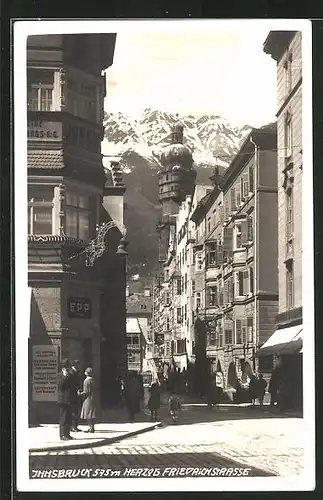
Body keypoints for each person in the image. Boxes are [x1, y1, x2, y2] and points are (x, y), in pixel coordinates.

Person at [57, 358, 73, 441]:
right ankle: (62, 435)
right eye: (65, 367)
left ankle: (67, 434)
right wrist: (64, 376)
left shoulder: (69, 375)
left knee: (68, 417)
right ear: (62, 368)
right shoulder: (60, 375)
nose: (67, 369)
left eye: (67, 367)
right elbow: (60, 386)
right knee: (63, 417)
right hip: (62, 399)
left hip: (68, 399)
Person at [79, 367, 96, 433]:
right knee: (91, 413)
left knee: (88, 413)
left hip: (87, 399)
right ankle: (92, 427)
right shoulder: (93, 380)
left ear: (86, 373)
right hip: (93, 397)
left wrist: (80, 394)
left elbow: (86, 391)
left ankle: (90, 427)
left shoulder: (86, 381)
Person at [69, 359, 81, 432]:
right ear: (74, 365)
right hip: (72, 394)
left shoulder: (77, 372)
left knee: (76, 410)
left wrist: (79, 389)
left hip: (76, 394)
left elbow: (78, 383)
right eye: (77, 364)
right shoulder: (71, 373)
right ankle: (72, 426)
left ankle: (75, 426)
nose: (78, 366)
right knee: (72, 411)